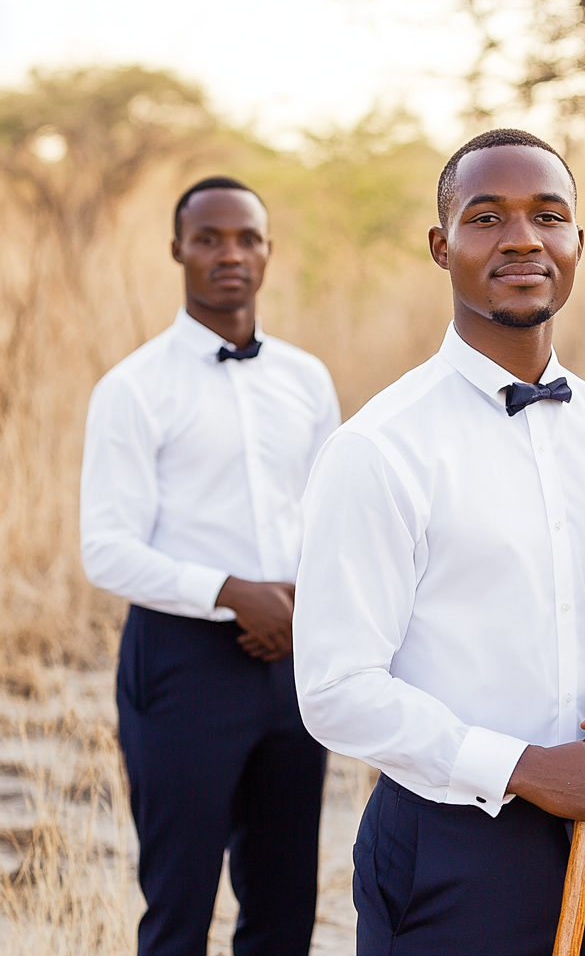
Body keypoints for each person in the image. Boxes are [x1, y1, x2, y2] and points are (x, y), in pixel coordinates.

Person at [292, 129, 585, 956]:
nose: (522, 237)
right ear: (442, 247)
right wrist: (523, 767)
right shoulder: (380, 447)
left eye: (549, 215)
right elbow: (336, 689)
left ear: (578, 243)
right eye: (487, 218)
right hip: (452, 852)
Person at [80, 177, 340, 956]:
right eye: (209, 239)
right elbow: (106, 548)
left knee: (285, 898)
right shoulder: (132, 389)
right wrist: (233, 595)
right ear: (177, 251)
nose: (230, 254)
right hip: (183, 666)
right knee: (179, 901)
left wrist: (298, 606)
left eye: (246, 239)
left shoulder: (307, 378)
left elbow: (329, 518)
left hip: (293, 657)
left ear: (267, 252)